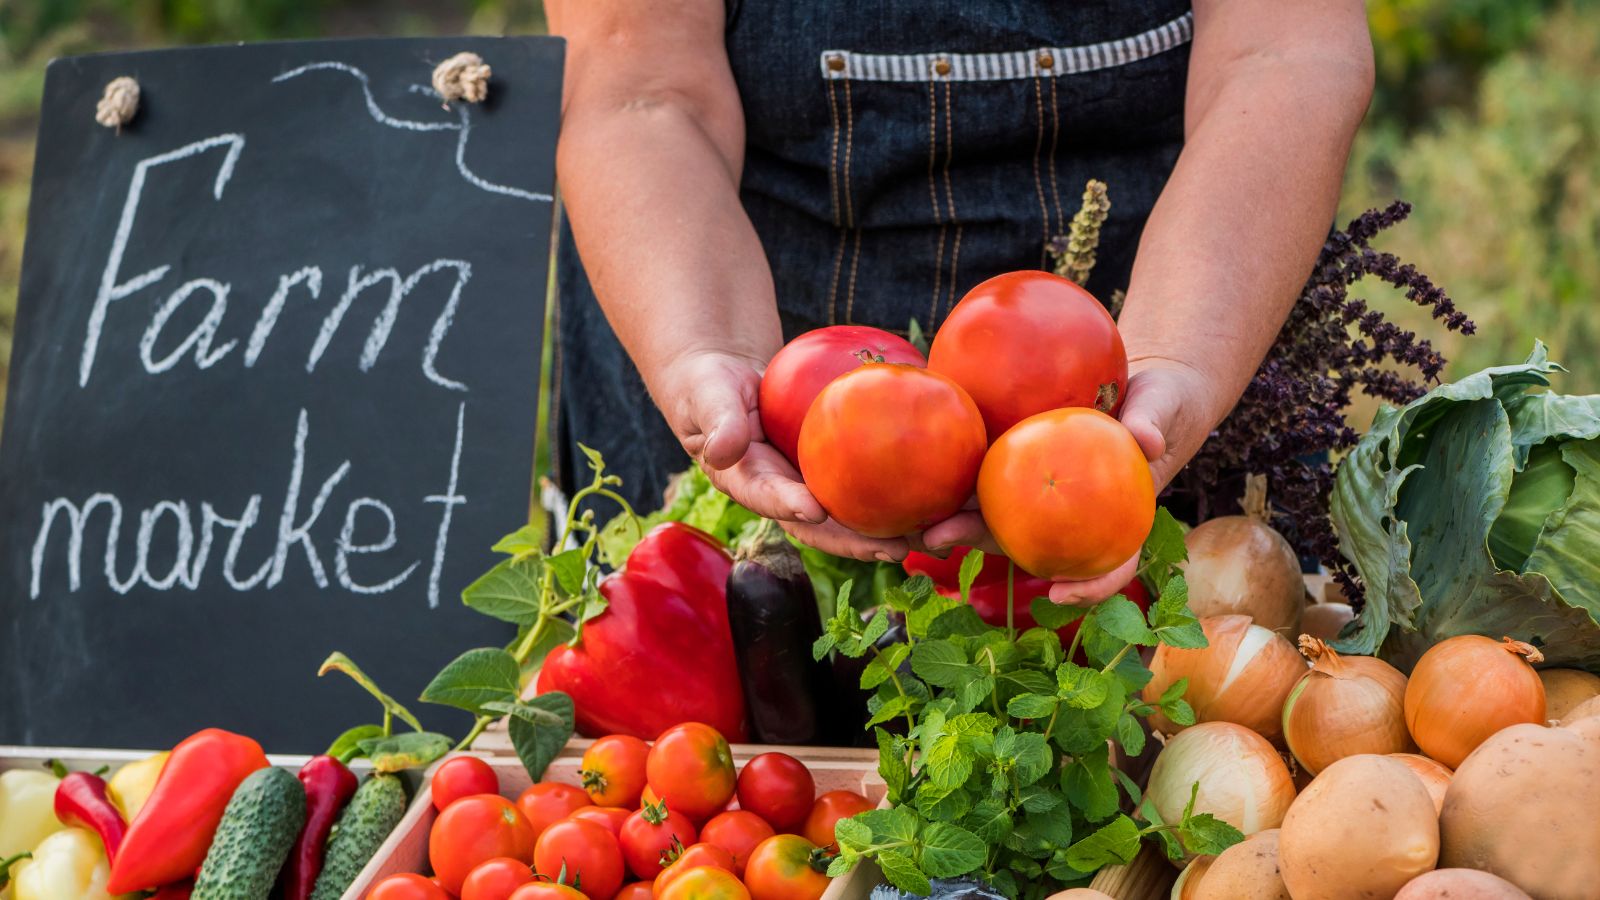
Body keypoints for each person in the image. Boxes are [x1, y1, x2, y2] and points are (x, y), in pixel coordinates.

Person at [547, 0, 1373, 603]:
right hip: (727, 299)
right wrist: (701, 343)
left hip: (1192, 296)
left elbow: (1284, 53)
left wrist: (1178, 359)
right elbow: (641, 88)